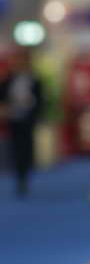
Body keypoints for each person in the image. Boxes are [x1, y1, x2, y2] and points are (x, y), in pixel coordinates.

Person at [3, 43, 43, 199]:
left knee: (27, 148)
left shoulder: (34, 79)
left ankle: (25, 174)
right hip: (13, 118)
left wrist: (35, 113)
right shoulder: (9, 78)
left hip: (28, 119)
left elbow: (40, 99)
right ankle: (19, 175)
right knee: (15, 148)